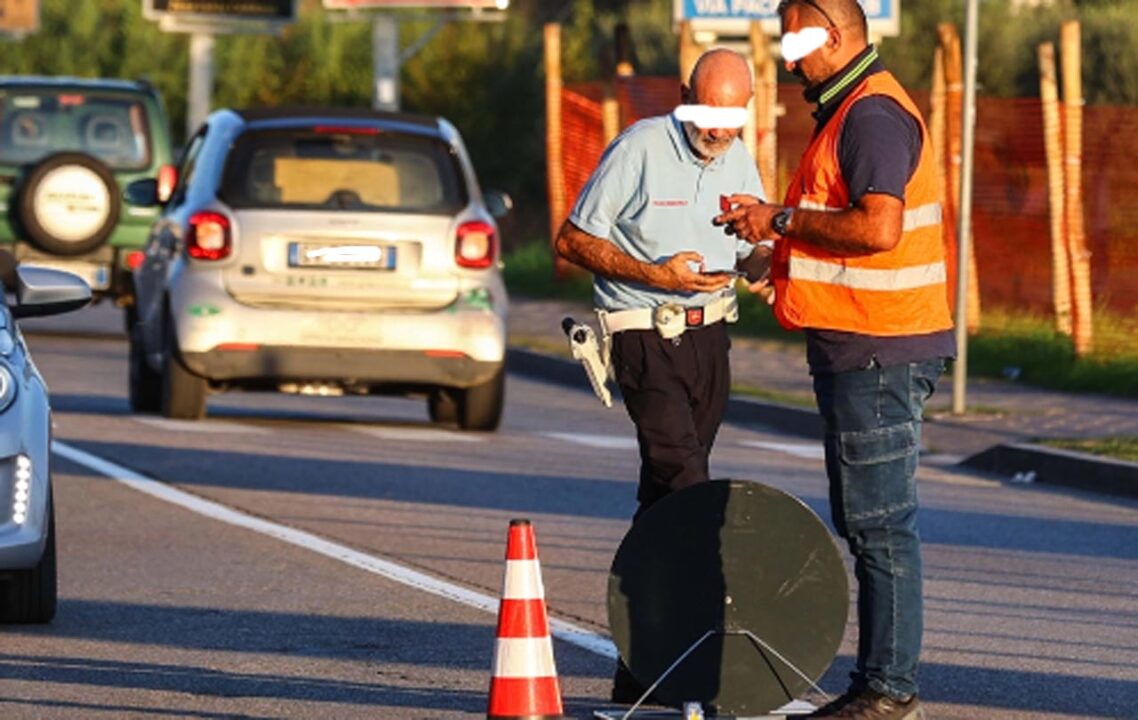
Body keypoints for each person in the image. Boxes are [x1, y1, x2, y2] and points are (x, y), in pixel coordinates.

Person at [715, 1, 955, 718]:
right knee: (872, 523)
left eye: (797, 40)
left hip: (878, 348)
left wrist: (779, 219)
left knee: (881, 526)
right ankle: (883, 685)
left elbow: (876, 230)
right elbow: (841, 232)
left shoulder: (872, 116)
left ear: (836, 34)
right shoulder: (850, 110)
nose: (790, 59)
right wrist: (779, 259)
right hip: (866, 343)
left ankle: (886, 692)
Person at [554, 47, 768, 703]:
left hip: (712, 340)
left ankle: (639, 672)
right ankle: (701, 658)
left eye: (732, 116)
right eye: (707, 112)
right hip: (646, 334)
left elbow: (750, 247)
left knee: (661, 503)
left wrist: (765, 262)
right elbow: (571, 240)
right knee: (689, 493)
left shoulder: (736, 155)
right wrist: (656, 276)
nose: (718, 128)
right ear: (683, 95)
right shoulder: (641, 146)